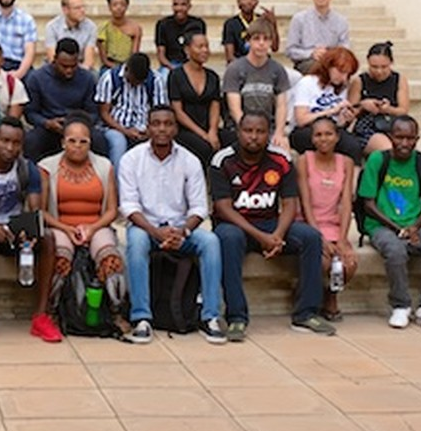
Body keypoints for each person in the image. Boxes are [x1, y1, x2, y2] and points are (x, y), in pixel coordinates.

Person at [211, 112, 335, 341]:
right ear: (238, 132)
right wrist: (262, 237)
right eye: (248, 131)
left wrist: (277, 235)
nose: (253, 137)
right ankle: (236, 317)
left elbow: (289, 203)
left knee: (310, 237)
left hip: (270, 223)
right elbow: (223, 208)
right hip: (235, 225)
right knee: (228, 239)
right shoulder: (223, 160)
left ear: (268, 134)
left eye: (260, 131)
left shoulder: (281, 159)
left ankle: (306, 313)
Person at [120, 106, 226, 344]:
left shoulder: (190, 160)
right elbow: (128, 206)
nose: (162, 129)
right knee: (136, 241)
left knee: (210, 242)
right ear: (148, 127)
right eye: (156, 124)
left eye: (168, 124)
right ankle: (141, 318)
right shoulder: (131, 159)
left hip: (181, 230)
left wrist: (183, 231)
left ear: (176, 128)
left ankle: (210, 316)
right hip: (146, 228)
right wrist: (155, 232)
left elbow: (199, 207)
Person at [0, 117, 60, 344]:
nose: (9, 147)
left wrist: (28, 230)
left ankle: (41, 316)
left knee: (48, 238)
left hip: (15, 231)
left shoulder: (28, 169)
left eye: (16, 143)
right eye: (4, 141)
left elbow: (35, 210)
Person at [359, 116, 421, 331]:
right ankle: (400, 305)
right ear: (390, 137)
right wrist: (397, 228)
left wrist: (415, 227)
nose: (404, 143)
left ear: (417, 139)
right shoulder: (378, 160)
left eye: (410, 138)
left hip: (415, 225)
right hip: (382, 226)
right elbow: (368, 204)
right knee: (395, 249)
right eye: (399, 137)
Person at [39, 114, 123, 291]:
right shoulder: (46, 167)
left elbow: (112, 210)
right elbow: (41, 212)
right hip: (60, 226)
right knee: (59, 260)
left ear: (90, 143)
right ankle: (55, 305)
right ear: (63, 143)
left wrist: (92, 228)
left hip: (97, 226)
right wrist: (66, 229)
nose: (77, 146)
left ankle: (113, 305)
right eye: (72, 141)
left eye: (83, 141)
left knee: (110, 260)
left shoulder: (104, 166)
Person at [296, 116, 356, 321]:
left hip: (333, 224)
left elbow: (346, 202)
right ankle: (309, 294)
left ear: (337, 137)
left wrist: (342, 239)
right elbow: (304, 203)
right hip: (308, 223)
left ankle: (331, 296)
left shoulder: (346, 162)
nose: (323, 139)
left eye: (328, 134)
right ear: (312, 138)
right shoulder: (304, 160)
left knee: (348, 263)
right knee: (322, 262)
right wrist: (319, 237)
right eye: (318, 135)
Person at [23, 38, 105, 162]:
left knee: (99, 140)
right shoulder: (36, 78)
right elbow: (30, 113)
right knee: (31, 141)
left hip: (79, 127)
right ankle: (35, 174)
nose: (69, 71)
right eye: (64, 66)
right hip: (48, 128)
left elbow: (93, 113)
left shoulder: (87, 78)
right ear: (54, 59)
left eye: (73, 66)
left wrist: (76, 124)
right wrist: (47, 123)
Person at [223, 21, 290, 150]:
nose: (261, 43)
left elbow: (281, 105)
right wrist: (248, 131)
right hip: (240, 128)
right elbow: (235, 109)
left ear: (271, 42)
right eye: (256, 39)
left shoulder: (277, 70)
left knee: (284, 150)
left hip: (267, 128)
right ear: (248, 41)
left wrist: (279, 133)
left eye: (266, 39)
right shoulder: (235, 69)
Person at [289, 47, 364, 161]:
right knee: (323, 141)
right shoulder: (308, 83)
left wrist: (346, 119)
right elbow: (301, 119)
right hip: (308, 129)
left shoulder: (342, 87)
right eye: (341, 72)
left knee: (353, 146)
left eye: (347, 74)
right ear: (328, 67)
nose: (344, 78)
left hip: (332, 129)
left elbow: (339, 123)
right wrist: (330, 111)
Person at [96, 52, 166, 167]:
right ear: (127, 70)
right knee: (119, 143)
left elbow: (160, 113)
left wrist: (150, 130)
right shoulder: (110, 78)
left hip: (146, 128)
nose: (136, 84)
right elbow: (104, 113)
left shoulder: (156, 80)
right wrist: (125, 131)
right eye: (133, 80)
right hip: (116, 127)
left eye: (139, 82)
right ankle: (119, 178)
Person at [169, 32, 225, 166]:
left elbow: (215, 105)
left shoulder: (212, 76)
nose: (205, 50)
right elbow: (178, 111)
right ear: (187, 50)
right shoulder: (176, 75)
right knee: (205, 148)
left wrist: (212, 131)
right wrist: (203, 135)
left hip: (208, 127)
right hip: (185, 129)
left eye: (207, 46)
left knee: (234, 140)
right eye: (200, 47)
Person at [348, 41, 406, 155]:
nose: (379, 71)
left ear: (391, 63)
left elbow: (403, 110)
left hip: (391, 124)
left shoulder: (399, 80)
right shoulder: (359, 81)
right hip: (368, 127)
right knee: (387, 149)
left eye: (384, 67)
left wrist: (387, 109)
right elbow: (350, 111)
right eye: (374, 67)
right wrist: (363, 105)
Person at [286, 0, 350, 74]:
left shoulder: (341, 21)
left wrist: (329, 55)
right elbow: (290, 50)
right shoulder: (299, 19)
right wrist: (312, 53)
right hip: (307, 62)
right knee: (319, 68)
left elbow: (345, 48)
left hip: (332, 62)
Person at [222, 0, 280, 65]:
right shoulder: (231, 23)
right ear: (238, 2)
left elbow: (275, 48)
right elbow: (230, 57)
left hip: (262, 64)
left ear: (257, 2)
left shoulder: (262, 20)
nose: (249, 2)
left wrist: (273, 24)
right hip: (240, 66)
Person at [154, 0, 206, 74]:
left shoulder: (198, 24)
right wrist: (174, 70)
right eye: (176, 4)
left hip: (191, 64)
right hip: (170, 65)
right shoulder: (163, 24)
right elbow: (161, 55)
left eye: (183, 4)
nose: (179, 8)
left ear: (189, 6)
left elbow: (200, 51)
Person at [44, 0, 97, 70]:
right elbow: (52, 58)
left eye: (83, 7)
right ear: (65, 10)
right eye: (77, 8)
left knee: (93, 75)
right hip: (57, 68)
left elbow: (88, 61)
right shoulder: (52, 27)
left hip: (80, 67)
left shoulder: (91, 27)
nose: (82, 10)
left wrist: (78, 73)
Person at [96, 0, 142, 70]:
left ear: (127, 5)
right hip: (109, 67)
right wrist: (117, 68)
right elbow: (104, 59)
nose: (118, 8)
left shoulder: (135, 28)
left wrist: (126, 68)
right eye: (115, 4)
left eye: (122, 4)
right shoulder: (103, 28)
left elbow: (134, 55)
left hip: (129, 67)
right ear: (109, 6)